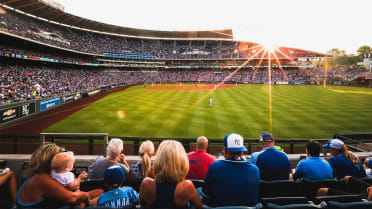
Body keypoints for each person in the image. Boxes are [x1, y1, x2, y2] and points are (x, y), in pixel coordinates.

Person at [16, 144, 93, 208]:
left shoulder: (33, 176)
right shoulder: (42, 179)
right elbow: (73, 198)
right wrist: (86, 196)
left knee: (99, 192)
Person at [139, 140, 202, 209]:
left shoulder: (146, 184)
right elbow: (199, 206)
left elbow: (142, 205)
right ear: (182, 161)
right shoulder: (187, 186)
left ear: (159, 160)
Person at [202, 133, 260, 207]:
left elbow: (206, 196)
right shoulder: (255, 170)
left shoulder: (214, 167)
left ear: (225, 151)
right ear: (242, 151)